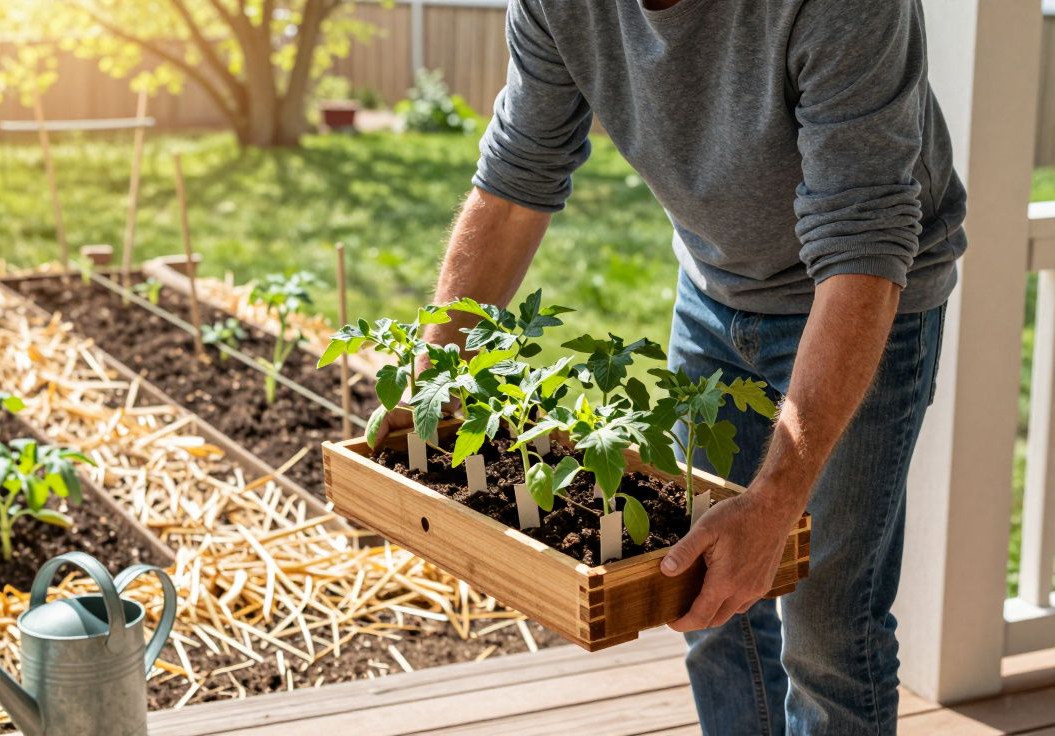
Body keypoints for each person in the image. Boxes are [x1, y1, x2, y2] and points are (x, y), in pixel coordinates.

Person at [374, 0, 964, 733]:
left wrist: (775, 500)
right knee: (704, 597)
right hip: (716, 289)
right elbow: (516, 180)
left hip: (865, 300)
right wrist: (432, 374)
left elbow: (862, 248)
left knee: (827, 634)